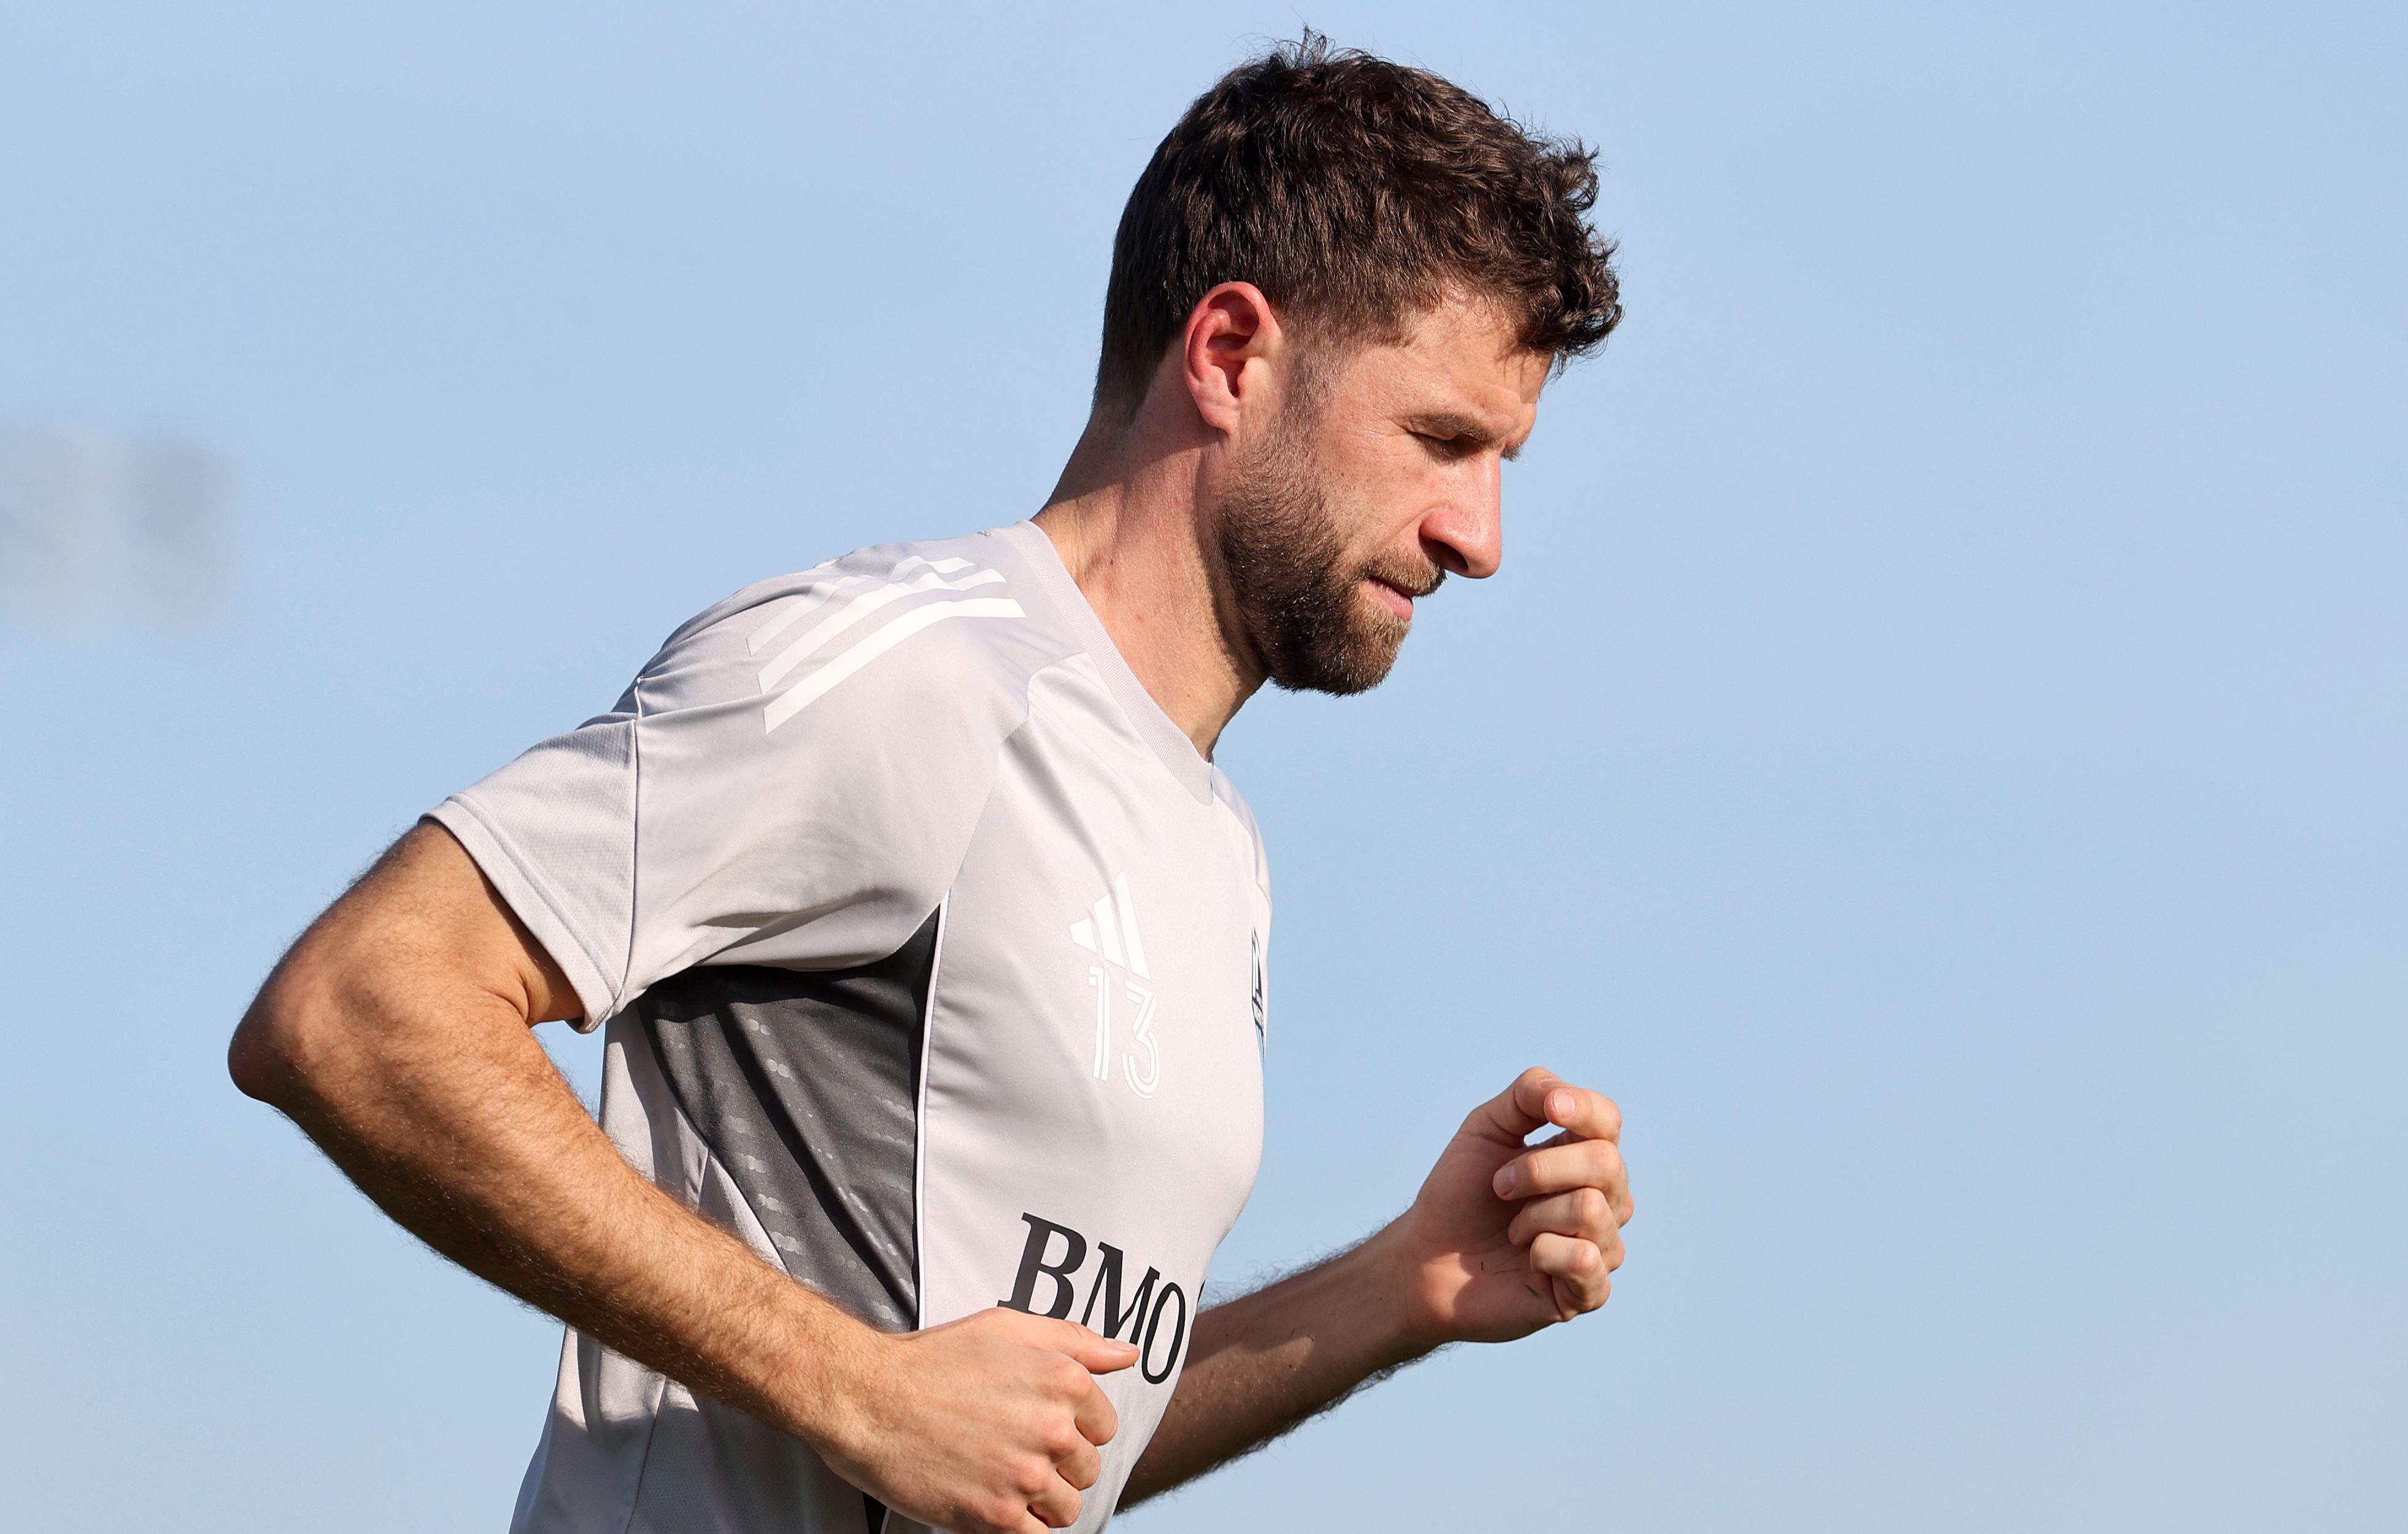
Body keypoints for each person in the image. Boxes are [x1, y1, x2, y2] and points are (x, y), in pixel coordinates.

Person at [229, 36, 1630, 1534]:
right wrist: (849, 1384)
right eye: (1440, 440)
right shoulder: (908, 673)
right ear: (1229, 353)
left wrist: (1400, 1285)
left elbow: (1026, 1451)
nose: (1479, 535)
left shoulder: (1218, 848)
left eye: (1501, 460)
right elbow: (357, 1002)